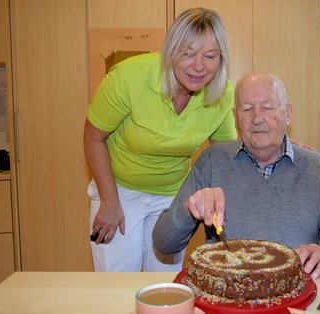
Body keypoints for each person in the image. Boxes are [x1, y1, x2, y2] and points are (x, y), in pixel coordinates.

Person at [153, 71, 320, 279]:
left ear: (288, 113)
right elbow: (164, 243)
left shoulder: (317, 169)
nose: (257, 118)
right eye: (246, 109)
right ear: (235, 117)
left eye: (267, 107)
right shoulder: (212, 162)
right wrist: (188, 208)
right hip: (225, 295)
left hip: (295, 296)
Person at [83, 8, 237, 272]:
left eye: (210, 56)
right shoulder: (128, 78)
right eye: (188, 53)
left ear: (221, 59)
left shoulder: (221, 93)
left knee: (165, 289)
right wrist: (109, 202)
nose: (199, 66)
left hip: (172, 195)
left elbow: (226, 154)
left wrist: (275, 147)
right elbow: (93, 137)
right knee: (115, 283)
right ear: (171, 51)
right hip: (118, 189)